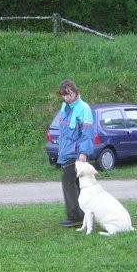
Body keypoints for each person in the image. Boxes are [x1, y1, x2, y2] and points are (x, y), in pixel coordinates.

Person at [55, 79, 95, 227]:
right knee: (78, 184)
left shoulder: (84, 109)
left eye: (68, 95)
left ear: (76, 92)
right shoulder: (64, 107)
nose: (66, 98)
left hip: (77, 154)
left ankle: (75, 216)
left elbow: (87, 133)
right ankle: (85, 214)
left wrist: (83, 153)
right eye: (63, 95)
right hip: (66, 153)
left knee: (67, 180)